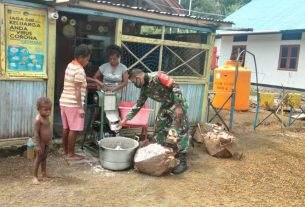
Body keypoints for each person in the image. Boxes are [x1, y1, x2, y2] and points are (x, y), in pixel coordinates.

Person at [118, 69, 189, 174]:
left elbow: (175, 86)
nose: (134, 84)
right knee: (159, 129)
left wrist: (179, 106)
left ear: (138, 78)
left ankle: (183, 160)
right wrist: (126, 119)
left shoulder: (158, 76)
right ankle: (158, 154)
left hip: (177, 105)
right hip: (165, 106)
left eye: (133, 82)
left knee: (181, 131)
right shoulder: (144, 88)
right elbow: (139, 104)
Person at [60, 44, 98, 160]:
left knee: (66, 128)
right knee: (74, 129)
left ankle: (65, 151)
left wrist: (95, 80)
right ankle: (71, 154)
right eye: (87, 59)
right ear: (81, 57)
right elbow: (77, 89)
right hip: (73, 104)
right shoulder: (80, 70)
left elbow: (80, 80)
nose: (87, 62)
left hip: (64, 101)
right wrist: (80, 107)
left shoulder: (70, 65)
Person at [33, 97, 53, 184]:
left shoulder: (46, 117)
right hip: (41, 142)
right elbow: (36, 133)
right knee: (38, 159)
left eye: (49, 110)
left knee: (44, 158)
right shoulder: (38, 119)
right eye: (45, 110)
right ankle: (34, 176)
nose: (48, 112)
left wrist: (50, 140)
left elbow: (47, 129)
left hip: (47, 142)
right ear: (39, 109)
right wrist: (37, 145)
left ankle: (43, 173)